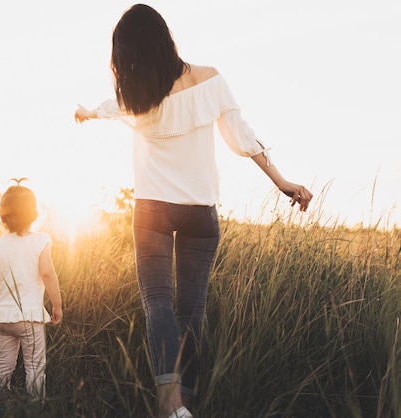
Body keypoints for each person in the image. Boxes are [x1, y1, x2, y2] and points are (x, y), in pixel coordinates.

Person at [74, 4, 313, 418]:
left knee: (158, 304)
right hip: (200, 215)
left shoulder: (133, 96)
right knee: (192, 311)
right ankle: (191, 403)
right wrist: (282, 181)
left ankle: (171, 408)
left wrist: (86, 113)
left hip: (152, 211)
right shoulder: (209, 78)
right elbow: (243, 138)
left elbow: (104, 108)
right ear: (166, 38)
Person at [0, 180, 63, 408]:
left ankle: (0, 407)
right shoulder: (40, 240)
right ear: (33, 213)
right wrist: (57, 305)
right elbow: (47, 273)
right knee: (35, 367)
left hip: (3, 318)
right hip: (30, 318)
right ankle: (35, 408)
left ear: (3, 215)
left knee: (4, 365)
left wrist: (1, 297)